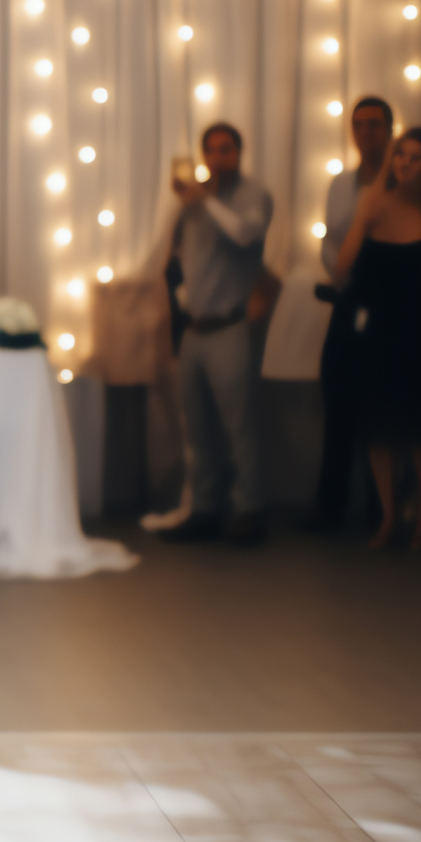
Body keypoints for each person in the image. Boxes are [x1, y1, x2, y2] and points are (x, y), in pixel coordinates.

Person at [332, 127, 421, 549]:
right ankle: (387, 519)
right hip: (376, 330)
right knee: (378, 428)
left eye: (415, 156)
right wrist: (366, 216)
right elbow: (341, 267)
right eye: (400, 155)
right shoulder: (373, 204)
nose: (404, 163)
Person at [159, 122, 274, 546]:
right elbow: (180, 257)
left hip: (229, 326)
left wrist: (205, 200)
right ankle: (204, 508)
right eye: (211, 151)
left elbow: (247, 234)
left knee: (238, 425)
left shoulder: (252, 195)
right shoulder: (193, 203)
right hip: (195, 329)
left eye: (226, 150)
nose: (218, 158)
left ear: (239, 153)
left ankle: (249, 509)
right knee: (197, 428)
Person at [306, 96, 393, 531]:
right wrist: (340, 268)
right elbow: (329, 238)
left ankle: (386, 508)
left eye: (374, 124)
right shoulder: (341, 183)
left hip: (390, 303)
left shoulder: (401, 180)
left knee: (384, 408)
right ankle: (331, 503)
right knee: (338, 401)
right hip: (348, 296)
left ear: (390, 130)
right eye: (359, 125)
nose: (366, 133)